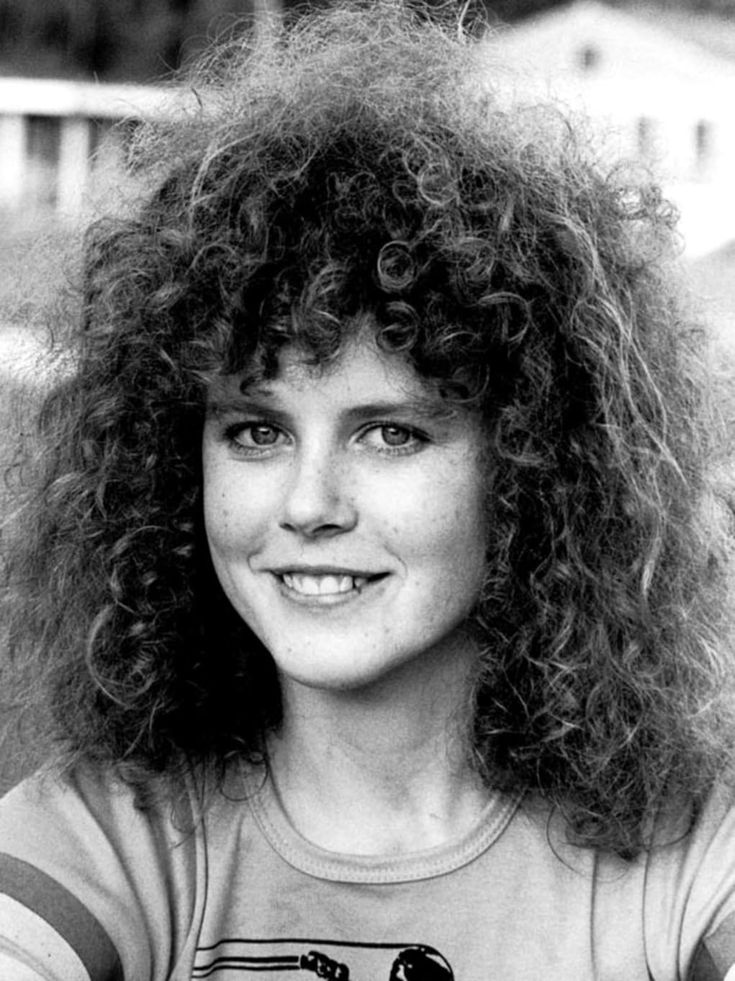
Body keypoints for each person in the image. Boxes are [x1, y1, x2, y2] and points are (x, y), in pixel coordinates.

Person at [1, 2, 735, 978]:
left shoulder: (689, 855)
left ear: (536, 467)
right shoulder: (98, 842)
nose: (307, 504)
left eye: (391, 433)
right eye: (256, 431)